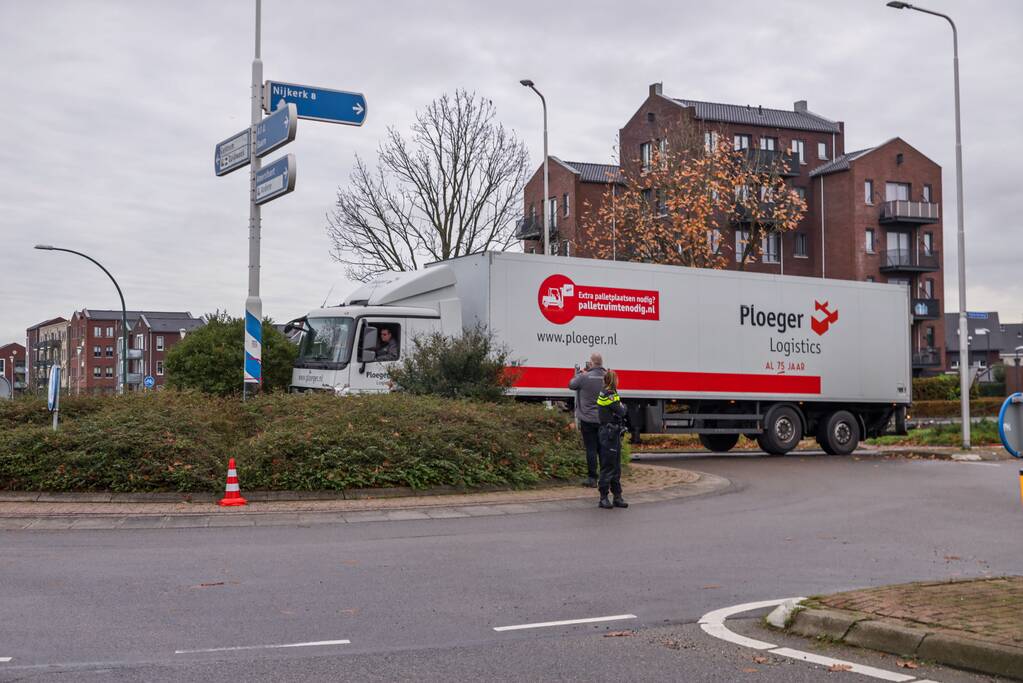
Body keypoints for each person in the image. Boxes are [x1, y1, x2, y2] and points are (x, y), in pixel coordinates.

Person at [568, 353, 606, 487]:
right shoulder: (607, 377)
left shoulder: (584, 377)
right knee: (602, 449)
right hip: (603, 419)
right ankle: (604, 477)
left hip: (588, 419)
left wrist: (579, 373)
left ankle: (592, 479)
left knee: (591, 449)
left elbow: (571, 385)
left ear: (591, 363)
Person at [596, 369, 628, 509]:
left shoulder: (605, 392)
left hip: (610, 433)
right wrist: (623, 406)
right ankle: (603, 497)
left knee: (615, 466)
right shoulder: (609, 394)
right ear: (614, 380)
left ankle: (617, 496)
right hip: (609, 433)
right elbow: (621, 411)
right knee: (609, 466)